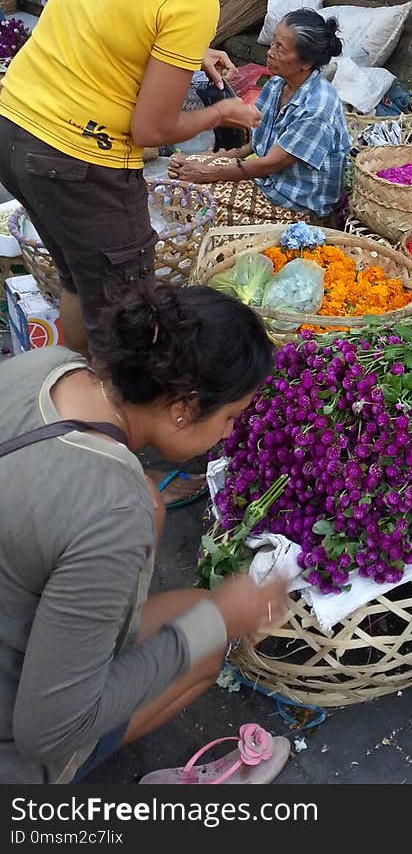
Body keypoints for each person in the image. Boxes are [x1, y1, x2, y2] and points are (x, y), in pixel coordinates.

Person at [0, 0, 296, 357]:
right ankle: (109, 431)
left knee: (78, 282)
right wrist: (220, 113)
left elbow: (108, 13)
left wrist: (190, 54)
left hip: (16, 126)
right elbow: (153, 129)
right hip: (79, 158)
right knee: (129, 318)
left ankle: (71, 395)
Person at [0, 280, 289, 785]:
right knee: (202, 638)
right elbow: (49, 729)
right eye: (230, 417)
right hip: (20, 745)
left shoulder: (42, 368)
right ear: (183, 406)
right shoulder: (114, 513)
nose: (229, 434)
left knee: (186, 609)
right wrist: (221, 618)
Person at [170, 9, 350, 226]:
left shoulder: (317, 107)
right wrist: (205, 159)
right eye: (273, 43)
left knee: (193, 195)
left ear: (306, 63)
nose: (270, 52)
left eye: (280, 48)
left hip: (296, 205)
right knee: (180, 176)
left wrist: (208, 173)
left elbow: (269, 164)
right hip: (269, 182)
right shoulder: (277, 85)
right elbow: (254, 143)